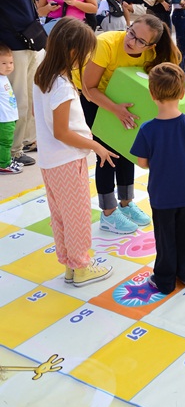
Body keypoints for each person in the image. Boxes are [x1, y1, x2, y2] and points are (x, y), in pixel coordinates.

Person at [78, 16, 180, 233]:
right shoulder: (106, 43)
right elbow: (88, 88)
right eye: (131, 32)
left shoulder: (151, 55)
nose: (131, 41)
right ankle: (108, 212)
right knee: (107, 154)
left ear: (150, 46)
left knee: (126, 150)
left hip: (120, 102)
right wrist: (115, 109)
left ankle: (126, 203)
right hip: (92, 98)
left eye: (140, 41)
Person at [33, 18, 116, 286]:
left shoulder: (42, 76)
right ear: (72, 52)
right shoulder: (63, 86)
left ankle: (70, 264)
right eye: (85, 53)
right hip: (67, 160)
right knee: (78, 216)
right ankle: (81, 266)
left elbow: (40, 116)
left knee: (61, 216)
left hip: (49, 161)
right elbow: (62, 132)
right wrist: (95, 145)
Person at [131, 63, 185, 295]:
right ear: (183, 92)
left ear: (152, 94)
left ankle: (165, 280)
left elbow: (142, 162)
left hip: (162, 195)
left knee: (165, 238)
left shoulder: (148, 129)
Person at [0, 0, 42, 167]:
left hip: (30, 42)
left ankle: (21, 144)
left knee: (27, 99)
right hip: (11, 46)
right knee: (15, 101)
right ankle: (10, 151)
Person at [0, 44, 20, 174]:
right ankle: (4, 164)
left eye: (11, 62)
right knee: (5, 142)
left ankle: (5, 159)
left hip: (10, 116)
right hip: (4, 118)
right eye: (4, 63)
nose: (9, 66)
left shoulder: (4, 77)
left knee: (8, 140)